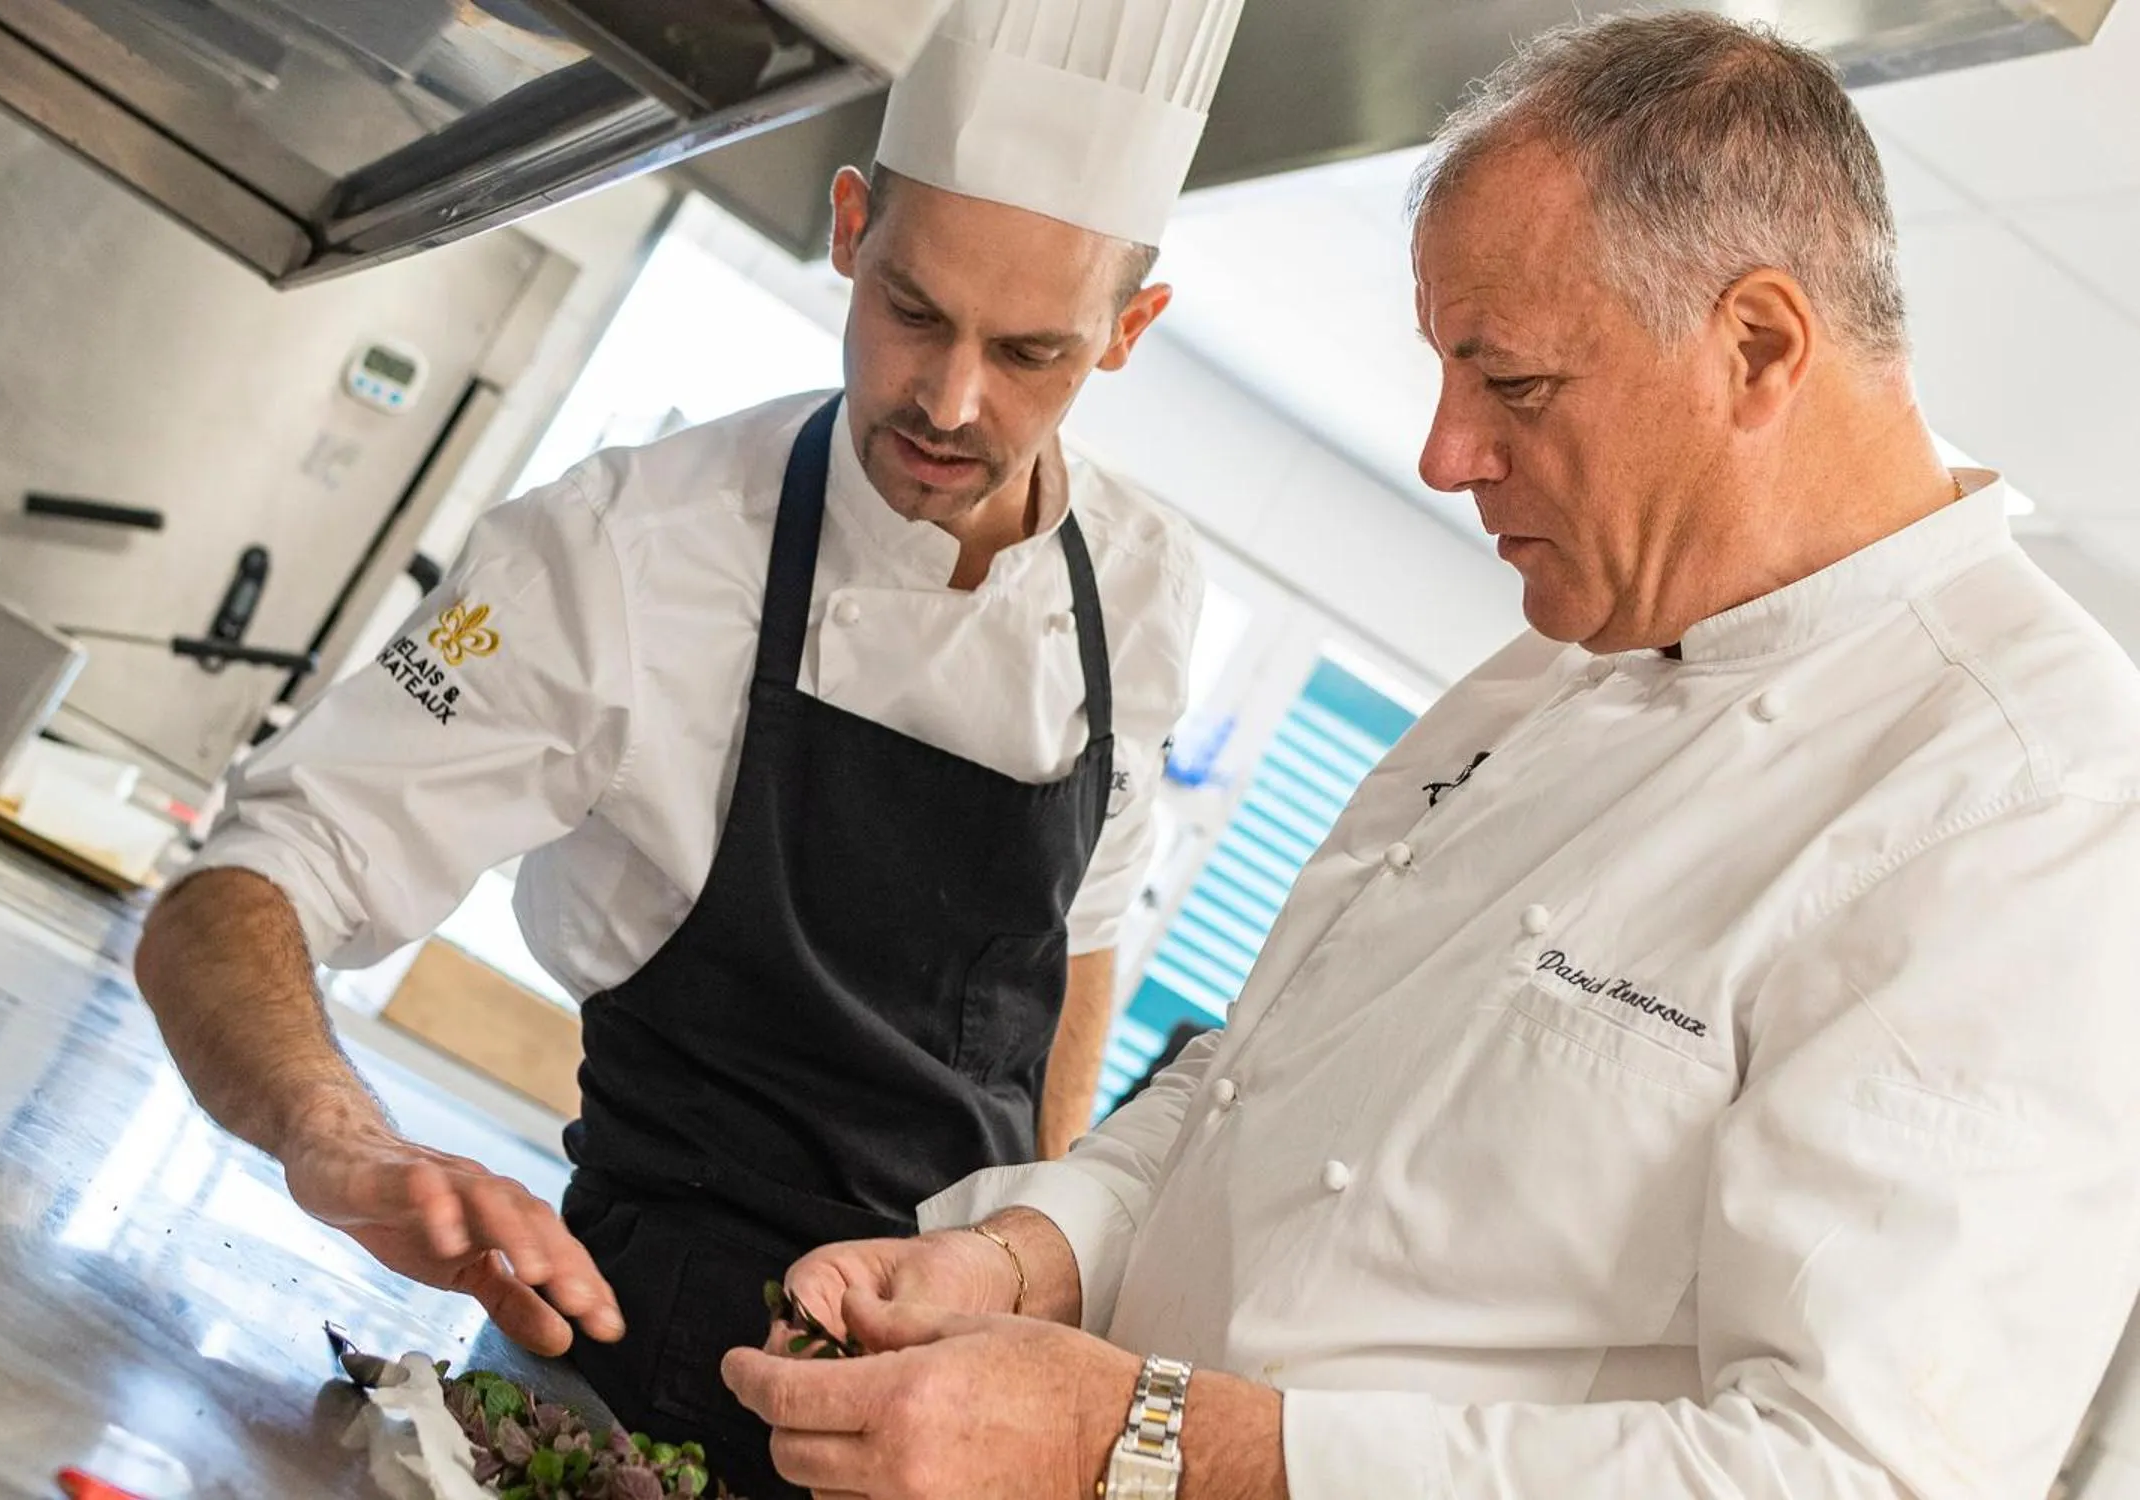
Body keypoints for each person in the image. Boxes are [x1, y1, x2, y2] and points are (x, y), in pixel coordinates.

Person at [727, 13, 2140, 1499]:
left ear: (1757, 345)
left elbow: (1846, 1477)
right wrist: (1023, 1261)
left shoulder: (2034, 800)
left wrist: (1127, 1437)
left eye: (1512, 385)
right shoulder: (1549, 666)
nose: (1444, 452)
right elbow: (1246, 1111)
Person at [132, 2, 1247, 1493]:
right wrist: (338, 1136)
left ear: (1127, 331)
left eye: (1030, 349)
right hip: (606, 1388)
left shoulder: (1147, 590)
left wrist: (1032, 1287)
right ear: (849, 228)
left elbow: (1081, 944)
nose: (949, 398)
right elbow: (246, 884)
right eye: (912, 308)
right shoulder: (611, 554)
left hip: (927, 1433)